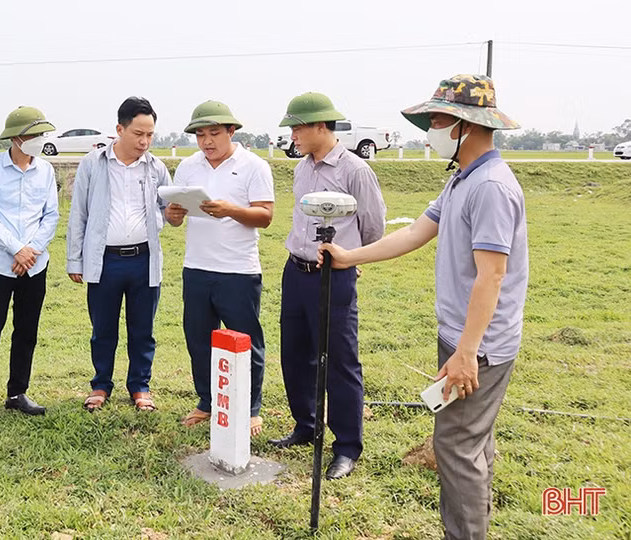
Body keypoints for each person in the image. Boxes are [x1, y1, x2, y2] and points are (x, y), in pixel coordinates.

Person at [318, 74, 527, 539]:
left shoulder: (491, 186)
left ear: (467, 125)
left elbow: (492, 275)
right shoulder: (461, 181)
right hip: (462, 336)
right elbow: (414, 233)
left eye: (436, 120)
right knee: (472, 442)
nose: (430, 131)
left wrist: (468, 352)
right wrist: (349, 256)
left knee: (455, 445)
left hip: (480, 346)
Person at [270, 92, 386, 479]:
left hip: (334, 276)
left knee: (340, 360)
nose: (293, 135)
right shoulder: (302, 168)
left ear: (322, 126)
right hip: (296, 271)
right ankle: (306, 425)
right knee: (296, 353)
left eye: (298, 127)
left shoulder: (354, 169)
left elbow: (373, 225)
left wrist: (354, 259)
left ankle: (347, 446)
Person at [165, 101, 274, 436]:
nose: (207, 141)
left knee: (245, 339)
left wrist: (231, 210)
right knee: (199, 339)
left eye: (214, 133)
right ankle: (207, 401)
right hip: (196, 267)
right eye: (200, 135)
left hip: (238, 270)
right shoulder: (188, 167)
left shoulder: (254, 166)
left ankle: (252, 407)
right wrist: (174, 216)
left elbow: (265, 216)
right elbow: (173, 217)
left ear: (231, 132)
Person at [67, 97, 171, 412]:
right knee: (103, 328)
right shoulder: (93, 164)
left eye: (150, 134)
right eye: (138, 133)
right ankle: (101, 385)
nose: (144, 141)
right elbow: (79, 213)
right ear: (119, 129)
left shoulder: (156, 167)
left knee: (143, 329)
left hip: (144, 258)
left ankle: (140, 386)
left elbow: (169, 207)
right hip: (105, 259)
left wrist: (157, 222)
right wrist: (75, 259)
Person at [0, 106, 60, 437]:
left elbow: (51, 215)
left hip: (35, 265)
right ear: (18, 137)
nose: (39, 141)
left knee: (26, 332)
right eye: (35, 135)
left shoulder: (46, 171)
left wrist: (30, 250)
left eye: (42, 136)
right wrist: (16, 249)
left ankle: (17, 392)